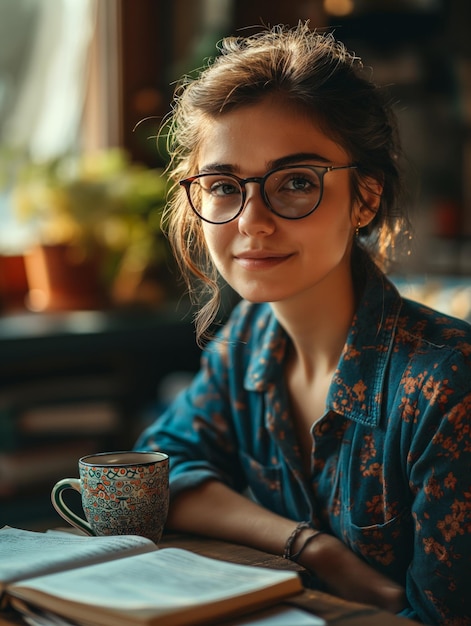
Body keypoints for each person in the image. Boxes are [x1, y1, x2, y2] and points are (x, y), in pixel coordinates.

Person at [134, 22, 471, 625]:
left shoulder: (446, 386)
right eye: (222, 185)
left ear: (364, 199)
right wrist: (308, 544)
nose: (253, 221)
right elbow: (154, 473)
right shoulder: (245, 351)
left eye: (295, 182)